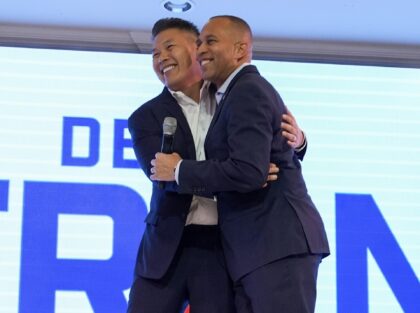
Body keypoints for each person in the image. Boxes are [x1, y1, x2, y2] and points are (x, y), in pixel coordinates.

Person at [151, 16, 330, 313]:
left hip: (275, 244)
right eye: (199, 43)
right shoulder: (233, 94)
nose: (201, 50)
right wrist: (297, 144)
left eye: (211, 41)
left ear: (240, 49)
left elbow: (249, 170)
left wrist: (179, 170)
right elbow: (258, 161)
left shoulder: (247, 90)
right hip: (256, 251)